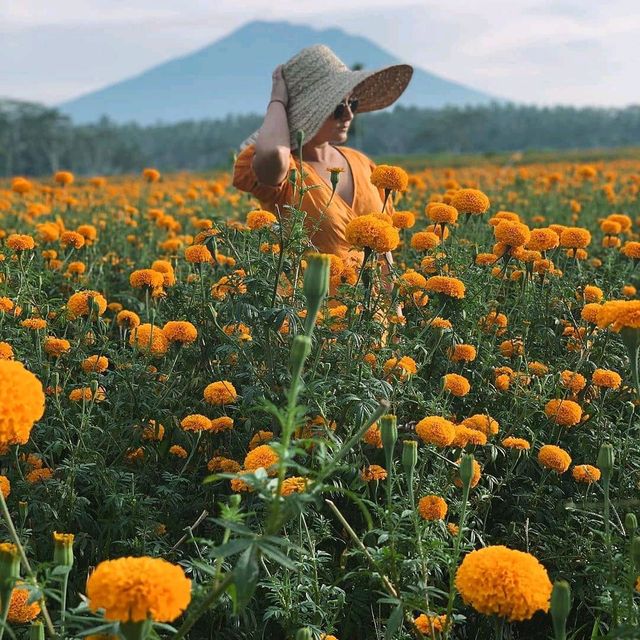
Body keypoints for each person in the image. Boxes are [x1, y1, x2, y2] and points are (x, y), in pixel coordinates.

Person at [232, 45, 413, 272]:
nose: (349, 114)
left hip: (371, 307)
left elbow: (384, 257)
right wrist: (278, 100)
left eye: (352, 103)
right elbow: (271, 153)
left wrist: (394, 308)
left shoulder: (363, 165)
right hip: (309, 306)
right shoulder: (287, 173)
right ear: (306, 113)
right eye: (338, 107)